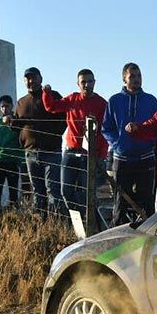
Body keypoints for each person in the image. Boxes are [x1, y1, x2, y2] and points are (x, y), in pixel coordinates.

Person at [101, 62, 157, 225]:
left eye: (139, 76)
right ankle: (117, 238)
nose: (136, 79)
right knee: (120, 202)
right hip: (122, 159)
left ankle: (149, 237)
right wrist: (118, 144)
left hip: (145, 157)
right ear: (124, 79)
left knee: (147, 201)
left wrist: (149, 142)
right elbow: (106, 127)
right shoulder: (114, 101)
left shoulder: (150, 100)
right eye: (132, 76)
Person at [43, 69, 108, 213]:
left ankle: (89, 222)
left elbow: (105, 131)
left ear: (94, 82)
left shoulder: (102, 104)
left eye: (90, 81)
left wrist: (102, 155)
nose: (87, 85)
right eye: (83, 82)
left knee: (86, 193)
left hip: (90, 154)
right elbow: (51, 107)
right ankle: (76, 218)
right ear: (78, 84)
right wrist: (46, 93)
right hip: (71, 151)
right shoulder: (72, 99)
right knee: (66, 190)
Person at [12, 67, 67, 217]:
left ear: (40, 79)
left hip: (51, 152)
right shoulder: (21, 102)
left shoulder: (52, 96)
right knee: (37, 191)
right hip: (30, 153)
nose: (31, 81)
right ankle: (41, 222)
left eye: (33, 77)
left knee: (53, 190)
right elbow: (17, 125)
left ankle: (57, 223)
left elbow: (65, 119)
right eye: (27, 78)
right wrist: (10, 122)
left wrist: (53, 135)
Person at [0, 95, 23, 208]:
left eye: (7, 106)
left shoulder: (17, 122)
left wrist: (20, 160)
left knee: (13, 193)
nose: (4, 109)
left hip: (12, 161)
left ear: (12, 106)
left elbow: (21, 142)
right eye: (2, 106)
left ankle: (14, 216)